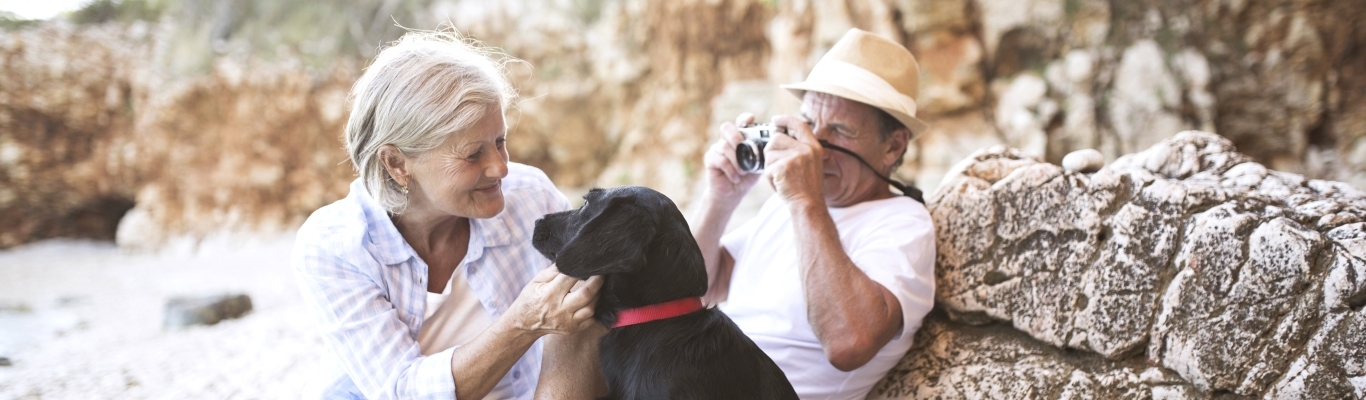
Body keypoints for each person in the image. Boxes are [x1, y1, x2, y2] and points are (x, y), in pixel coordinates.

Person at [291, 31, 604, 400]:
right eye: (473, 155)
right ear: (396, 164)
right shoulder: (337, 247)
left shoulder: (530, 197)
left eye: (500, 142)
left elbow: (588, 321)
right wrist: (522, 323)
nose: (501, 168)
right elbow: (401, 390)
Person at [691, 28, 936, 400]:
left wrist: (806, 201)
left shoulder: (904, 223)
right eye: (809, 123)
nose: (813, 148)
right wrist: (721, 198)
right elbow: (700, 289)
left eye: (839, 130)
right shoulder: (786, 205)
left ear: (893, 145)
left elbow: (849, 343)